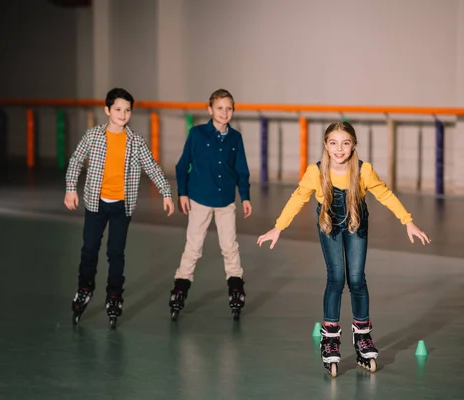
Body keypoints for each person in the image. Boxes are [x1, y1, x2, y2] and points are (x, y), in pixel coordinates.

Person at [257, 121, 430, 374]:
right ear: (326, 145)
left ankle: (362, 337)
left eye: (346, 143)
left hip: (357, 224)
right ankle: (330, 339)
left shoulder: (364, 170)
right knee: (336, 278)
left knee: (357, 279)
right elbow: (298, 198)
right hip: (329, 226)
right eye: (334, 143)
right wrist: (278, 227)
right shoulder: (315, 172)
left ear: (353, 146)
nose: (340, 149)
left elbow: (385, 194)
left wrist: (408, 221)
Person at [64, 87, 174, 328]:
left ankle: (114, 295)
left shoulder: (135, 142)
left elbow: (152, 167)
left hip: (122, 206)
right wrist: (71, 188)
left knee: (116, 253)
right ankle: (85, 288)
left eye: (127, 110)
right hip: (95, 203)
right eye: (118, 110)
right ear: (107, 110)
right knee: (89, 249)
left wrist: (166, 192)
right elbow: (75, 160)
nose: (123, 114)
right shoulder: (93, 136)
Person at [169, 88, 252, 321]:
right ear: (210, 110)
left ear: (233, 111)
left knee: (230, 246)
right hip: (199, 200)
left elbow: (241, 171)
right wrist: (182, 193)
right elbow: (182, 165)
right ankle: (180, 288)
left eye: (229, 108)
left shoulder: (236, 138)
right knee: (193, 246)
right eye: (220, 108)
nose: (224, 113)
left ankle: (235, 288)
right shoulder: (197, 134)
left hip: (225, 201)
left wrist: (245, 196)